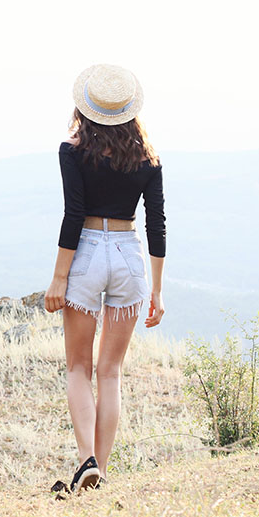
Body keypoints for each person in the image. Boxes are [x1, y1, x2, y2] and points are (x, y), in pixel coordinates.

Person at [44, 63, 166, 493]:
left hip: (88, 252)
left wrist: (59, 278)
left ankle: (86, 461)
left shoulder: (72, 151)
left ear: (86, 108)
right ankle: (101, 472)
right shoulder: (148, 159)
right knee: (110, 372)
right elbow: (156, 226)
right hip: (130, 255)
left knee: (78, 367)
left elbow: (73, 214)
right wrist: (157, 290)